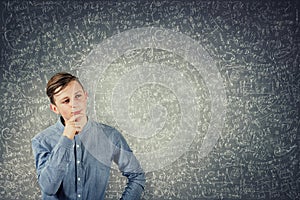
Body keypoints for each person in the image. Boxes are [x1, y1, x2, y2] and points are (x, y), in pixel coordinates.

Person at [31, 72, 146, 200]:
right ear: (54, 108)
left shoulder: (110, 136)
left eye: (78, 96)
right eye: (66, 101)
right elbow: (48, 188)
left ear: (86, 96)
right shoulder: (42, 141)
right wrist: (66, 138)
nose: (74, 104)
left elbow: (137, 175)